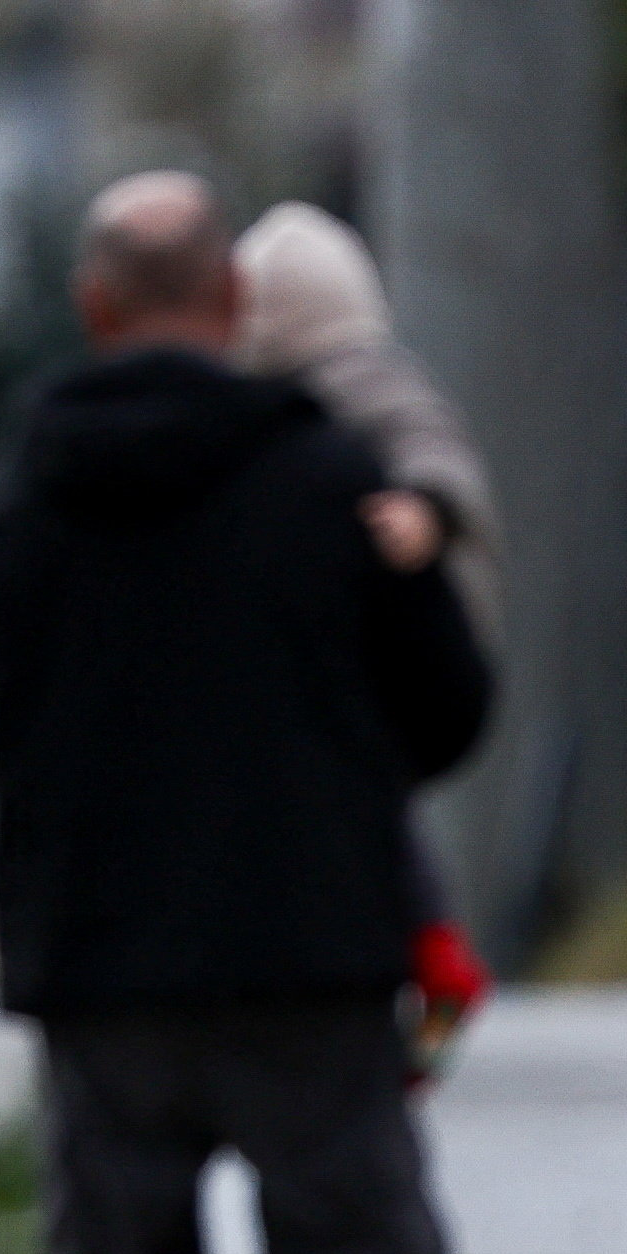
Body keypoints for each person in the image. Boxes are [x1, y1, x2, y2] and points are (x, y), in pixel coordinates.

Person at [0, 172, 496, 1254]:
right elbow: (448, 708)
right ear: (236, 305)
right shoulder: (332, 485)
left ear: (93, 306)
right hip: (313, 975)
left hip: (100, 984)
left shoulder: (16, 499)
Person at [236, 199, 505, 1081]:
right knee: (376, 821)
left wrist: (425, 509)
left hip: (383, 659)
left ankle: (430, 974)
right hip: (364, 663)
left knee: (376, 820)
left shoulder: (365, 386)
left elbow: (441, 460)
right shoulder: (289, 404)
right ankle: (426, 979)